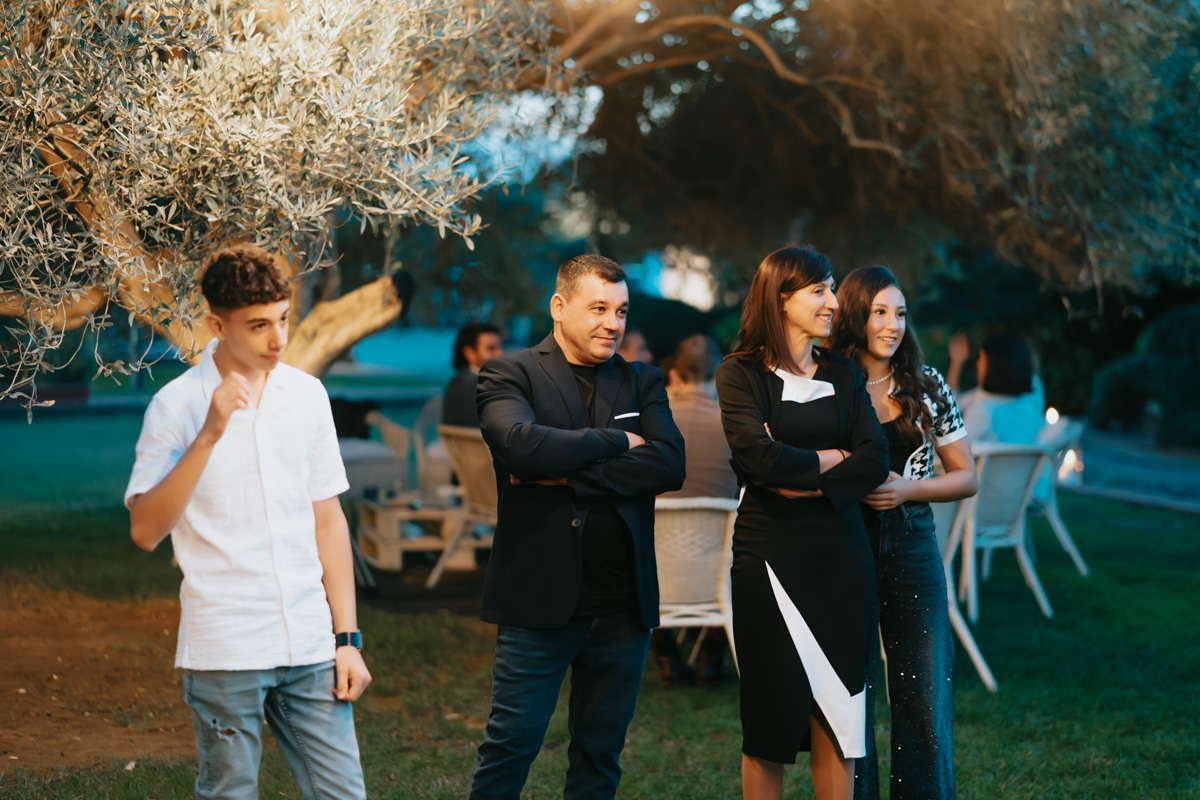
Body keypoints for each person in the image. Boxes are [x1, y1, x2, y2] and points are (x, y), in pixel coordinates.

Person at [125, 244, 371, 800]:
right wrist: (209, 433)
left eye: (283, 320)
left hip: (310, 643)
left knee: (343, 795)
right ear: (216, 324)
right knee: (231, 793)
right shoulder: (176, 407)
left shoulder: (307, 396)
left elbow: (328, 522)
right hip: (226, 648)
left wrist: (348, 639)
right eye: (258, 325)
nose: (277, 340)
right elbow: (145, 530)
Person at [468, 254, 686, 800]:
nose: (614, 323)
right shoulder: (508, 372)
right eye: (599, 308)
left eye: (621, 311)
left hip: (622, 606)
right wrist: (616, 442)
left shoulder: (643, 380)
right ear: (559, 308)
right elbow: (520, 446)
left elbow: (669, 465)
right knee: (510, 747)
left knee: (599, 757)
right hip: (538, 602)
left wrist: (567, 476)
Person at [715, 246, 889, 800]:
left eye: (832, 289)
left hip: (842, 555)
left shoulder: (844, 372)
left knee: (841, 715)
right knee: (767, 721)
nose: (834, 302)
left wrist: (800, 471)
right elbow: (756, 461)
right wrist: (833, 460)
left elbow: (875, 459)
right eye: (819, 290)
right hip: (769, 558)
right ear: (780, 297)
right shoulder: (739, 373)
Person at [825, 266, 978, 800]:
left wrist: (909, 492)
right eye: (879, 312)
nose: (892, 325)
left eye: (900, 313)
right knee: (851, 697)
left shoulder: (925, 381)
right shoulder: (828, 380)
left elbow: (967, 475)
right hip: (845, 541)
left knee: (924, 695)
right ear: (854, 316)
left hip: (912, 541)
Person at [653, 334, 740, 687]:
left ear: (675, 372)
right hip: (718, 569)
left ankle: (664, 652)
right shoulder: (734, 425)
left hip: (654, 570)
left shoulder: (652, 421)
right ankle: (712, 653)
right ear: (719, 372)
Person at [948, 332, 1043, 444]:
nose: (978, 364)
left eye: (981, 359)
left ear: (994, 365)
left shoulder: (982, 412)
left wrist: (956, 364)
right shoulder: (1031, 405)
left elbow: (948, 407)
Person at [443, 322, 504, 428]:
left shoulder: (461, 380)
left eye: (499, 347)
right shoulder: (472, 384)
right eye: (491, 348)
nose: (499, 353)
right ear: (470, 353)